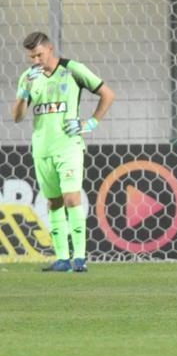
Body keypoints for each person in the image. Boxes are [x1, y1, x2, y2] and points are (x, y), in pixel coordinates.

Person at [12, 32, 115, 273]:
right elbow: (17, 117)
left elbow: (107, 94)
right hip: (42, 148)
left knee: (71, 198)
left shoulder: (72, 69)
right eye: (31, 57)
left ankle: (80, 258)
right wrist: (24, 92)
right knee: (54, 202)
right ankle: (62, 258)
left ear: (50, 49)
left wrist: (90, 123)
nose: (35, 60)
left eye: (39, 54)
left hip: (69, 146)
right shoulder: (28, 77)